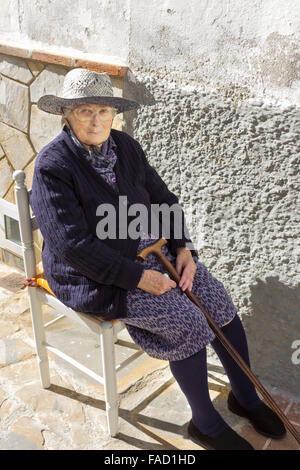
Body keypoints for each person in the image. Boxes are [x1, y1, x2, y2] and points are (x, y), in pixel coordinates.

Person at [30, 68, 285, 450]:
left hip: (154, 252)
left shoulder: (125, 147)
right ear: (66, 115)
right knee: (185, 321)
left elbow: (163, 199)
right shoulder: (54, 166)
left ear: (114, 113)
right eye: (85, 111)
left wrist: (184, 249)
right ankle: (205, 424)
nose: (97, 120)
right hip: (95, 275)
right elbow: (72, 246)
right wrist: (138, 278)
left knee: (219, 303)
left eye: (103, 110)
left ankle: (245, 398)